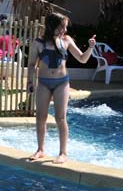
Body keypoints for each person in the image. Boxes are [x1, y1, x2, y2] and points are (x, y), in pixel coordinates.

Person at [26, 12, 96, 164]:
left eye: (65, 27)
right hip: (44, 83)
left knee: (60, 117)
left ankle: (63, 153)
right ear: (52, 26)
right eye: (62, 27)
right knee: (41, 117)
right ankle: (40, 150)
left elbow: (83, 59)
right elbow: (32, 65)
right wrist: (29, 83)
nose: (65, 30)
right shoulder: (38, 43)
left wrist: (90, 47)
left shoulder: (66, 40)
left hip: (61, 83)